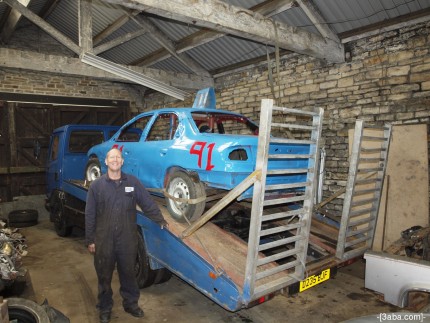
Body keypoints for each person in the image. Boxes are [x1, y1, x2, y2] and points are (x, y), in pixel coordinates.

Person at [85, 147, 167, 323]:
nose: (115, 160)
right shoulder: (97, 186)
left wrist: (159, 220)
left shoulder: (133, 182)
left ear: (122, 162)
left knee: (128, 274)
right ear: (106, 162)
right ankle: (105, 308)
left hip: (127, 240)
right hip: (104, 240)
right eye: (111, 157)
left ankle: (131, 304)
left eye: (118, 157)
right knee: (104, 276)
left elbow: (147, 202)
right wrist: (90, 239)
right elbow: (90, 214)